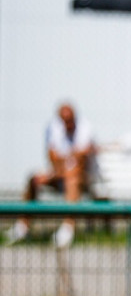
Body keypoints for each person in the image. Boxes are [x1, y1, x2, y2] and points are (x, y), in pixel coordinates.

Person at [4, 102, 96, 247]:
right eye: (64, 120)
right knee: (33, 179)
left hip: (83, 178)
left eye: (70, 119)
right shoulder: (54, 128)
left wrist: (61, 168)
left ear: (74, 116)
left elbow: (81, 164)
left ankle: (68, 228)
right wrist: (58, 170)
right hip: (59, 175)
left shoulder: (85, 128)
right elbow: (53, 157)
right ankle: (23, 226)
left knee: (72, 181)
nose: (67, 123)